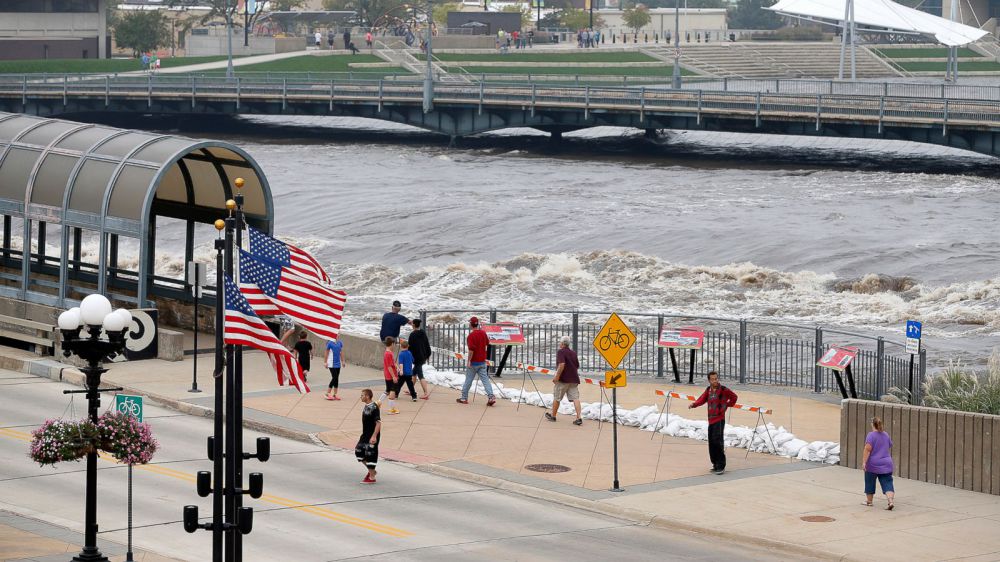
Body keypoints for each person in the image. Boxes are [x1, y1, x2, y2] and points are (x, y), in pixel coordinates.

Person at [689, 371, 738, 474]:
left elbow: (734, 397)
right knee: (711, 443)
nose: (715, 381)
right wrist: (694, 404)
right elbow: (702, 399)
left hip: (719, 419)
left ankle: (721, 466)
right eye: (713, 379)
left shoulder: (724, 390)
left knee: (717, 442)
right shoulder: (708, 390)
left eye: (716, 378)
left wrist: (727, 405)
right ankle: (715, 464)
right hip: (711, 420)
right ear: (709, 380)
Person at [456, 316, 496, 406]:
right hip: (482, 361)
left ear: (471, 324)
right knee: (485, 380)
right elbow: (487, 343)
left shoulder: (471, 336)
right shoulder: (483, 333)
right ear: (477, 324)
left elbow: (471, 350)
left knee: (468, 380)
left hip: (474, 362)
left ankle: (464, 398)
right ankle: (491, 396)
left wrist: (469, 361)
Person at [545, 336, 582, 425]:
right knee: (576, 398)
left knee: (557, 397)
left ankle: (553, 416)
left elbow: (562, 364)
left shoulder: (561, 352)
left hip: (563, 379)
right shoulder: (573, 353)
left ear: (562, 344)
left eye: (560, 342)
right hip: (574, 379)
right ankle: (579, 418)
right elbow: (577, 365)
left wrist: (557, 376)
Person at [862, 416, 895, 510]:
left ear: (872, 424)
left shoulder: (871, 435)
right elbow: (889, 445)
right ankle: (890, 501)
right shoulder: (886, 434)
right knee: (887, 482)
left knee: (869, 481)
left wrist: (864, 462)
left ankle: (869, 501)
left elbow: (867, 449)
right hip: (887, 463)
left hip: (873, 464)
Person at [356, 388, 381, 484]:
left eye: (362, 395)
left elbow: (378, 423)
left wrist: (374, 436)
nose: (361, 397)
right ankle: (372, 471)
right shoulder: (367, 406)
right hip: (365, 435)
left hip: (372, 435)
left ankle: (372, 477)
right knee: (359, 451)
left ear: (367, 396)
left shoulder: (374, 407)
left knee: (370, 455)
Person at [408, 318, 432, 400]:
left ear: (414, 325)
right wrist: (428, 354)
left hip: (417, 358)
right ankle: (411, 390)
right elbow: (427, 344)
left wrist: (409, 358)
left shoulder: (412, 335)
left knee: (420, 375)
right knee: (414, 373)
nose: (411, 325)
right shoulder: (423, 332)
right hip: (423, 356)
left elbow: (409, 348)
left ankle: (426, 393)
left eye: (412, 324)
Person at [379, 337, 400, 415]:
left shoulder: (387, 352)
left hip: (387, 375)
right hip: (391, 376)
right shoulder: (389, 354)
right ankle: (391, 409)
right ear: (392, 344)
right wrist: (394, 376)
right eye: (394, 344)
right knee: (392, 391)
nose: (395, 345)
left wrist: (397, 367)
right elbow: (389, 366)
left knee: (388, 390)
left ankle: (378, 403)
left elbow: (392, 363)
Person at [324, 336, 345, 401]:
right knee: (335, 377)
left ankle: (335, 394)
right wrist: (325, 362)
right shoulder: (330, 343)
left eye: (338, 333)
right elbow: (326, 353)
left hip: (338, 364)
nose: (338, 335)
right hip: (331, 363)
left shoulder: (340, 343)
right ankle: (327, 393)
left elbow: (341, 352)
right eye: (337, 333)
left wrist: (343, 361)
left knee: (336, 378)